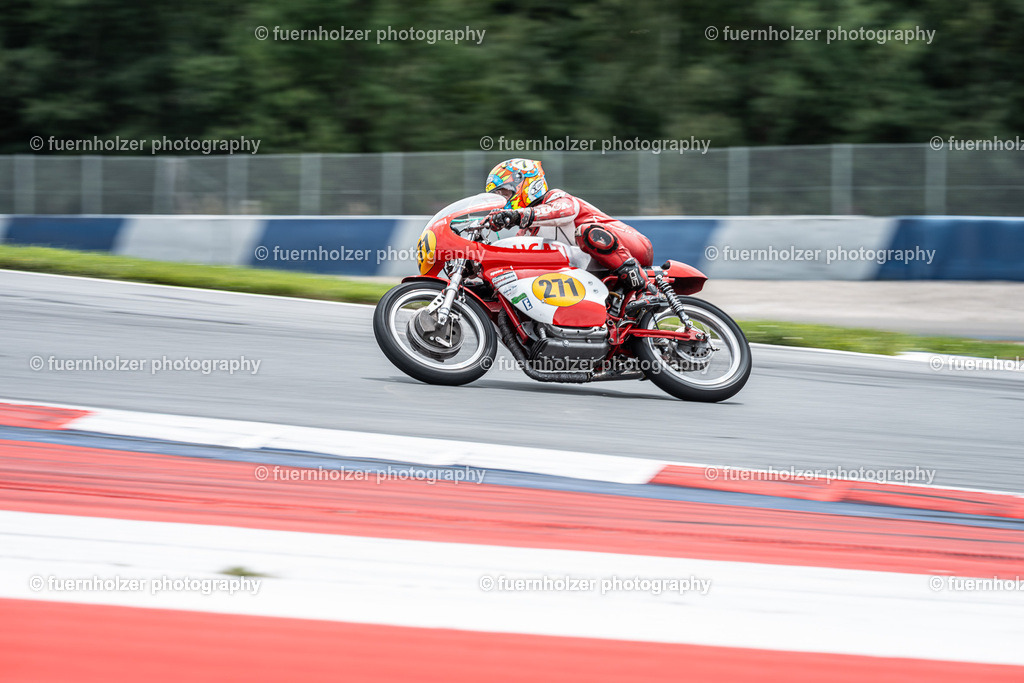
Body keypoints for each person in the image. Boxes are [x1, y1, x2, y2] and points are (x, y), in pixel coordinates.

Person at [484, 158, 653, 291]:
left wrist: (515, 215)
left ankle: (643, 288)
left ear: (526, 184)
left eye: (505, 192)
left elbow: (565, 212)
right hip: (595, 267)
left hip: (633, 246)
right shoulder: (525, 231)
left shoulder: (555, 197)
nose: (502, 200)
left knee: (587, 231)